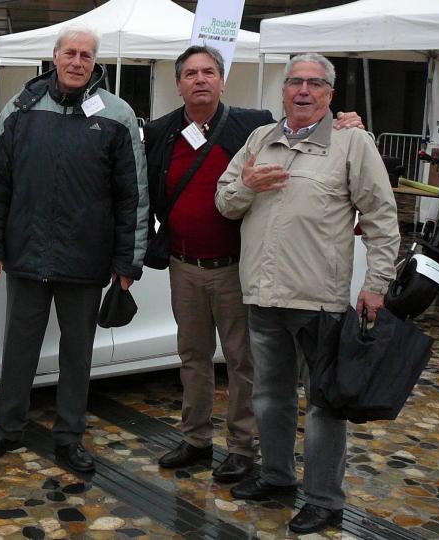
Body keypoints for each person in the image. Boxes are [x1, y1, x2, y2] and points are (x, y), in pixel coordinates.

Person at [145, 46, 362, 483]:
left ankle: (243, 447)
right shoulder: (161, 132)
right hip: (183, 265)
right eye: (191, 73)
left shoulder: (253, 125)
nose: (200, 79)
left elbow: (306, 124)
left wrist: (346, 121)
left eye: (209, 72)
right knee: (192, 357)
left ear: (223, 81)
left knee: (245, 364)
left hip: (236, 268)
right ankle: (195, 437)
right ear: (179, 83)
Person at [215, 53, 399, 534]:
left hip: (320, 300)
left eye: (314, 84)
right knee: (270, 397)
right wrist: (248, 185)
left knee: (323, 405)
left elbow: (381, 217)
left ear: (329, 94)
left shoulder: (351, 142)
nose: (302, 91)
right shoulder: (260, 139)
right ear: (282, 91)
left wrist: (376, 284)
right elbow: (225, 200)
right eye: (294, 82)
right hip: (262, 294)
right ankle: (277, 477)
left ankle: (324, 499)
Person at [0, 23, 148, 474]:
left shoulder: (117, 115)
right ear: (54, 57)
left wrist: (128, 263)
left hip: (85, 261)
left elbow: (134, 196)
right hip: (26, 256)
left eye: (86, 56)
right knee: (18, 351)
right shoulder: (21, 107)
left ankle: (69, 438)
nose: (77, 62)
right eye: (70, 53)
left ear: (95, 63)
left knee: (77, 356)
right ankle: (7, 430)